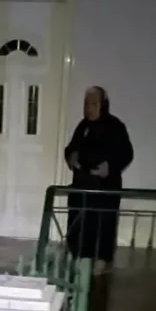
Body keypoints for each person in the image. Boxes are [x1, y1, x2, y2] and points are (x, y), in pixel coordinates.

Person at [64, 86, 134, 274]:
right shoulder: (83, 126)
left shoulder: (115, 127)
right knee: (79, 223)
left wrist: (110, 167)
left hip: (105, 188)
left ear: (103, 105)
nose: (89, 108)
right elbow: (71, 148)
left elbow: (127, 153)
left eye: (94, 104)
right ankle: (79, 257)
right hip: (82, 186)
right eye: (86, 104)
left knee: (103, 225)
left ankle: (101, 260)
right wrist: (71, 156)